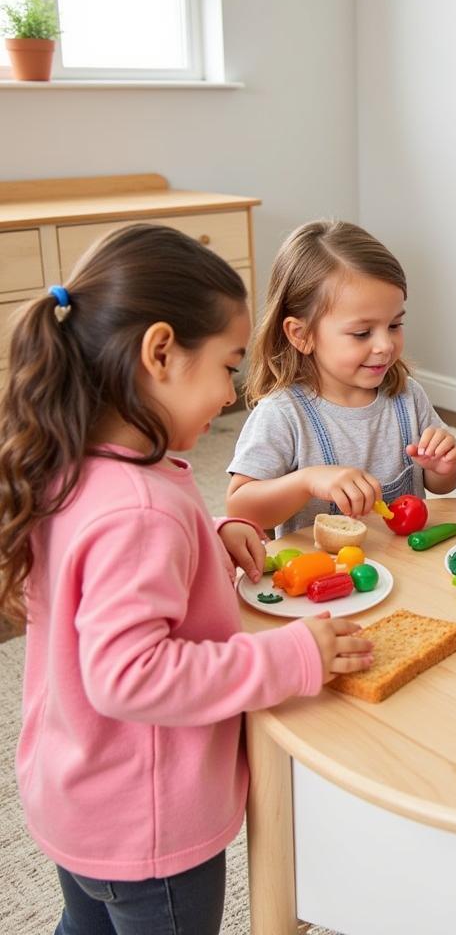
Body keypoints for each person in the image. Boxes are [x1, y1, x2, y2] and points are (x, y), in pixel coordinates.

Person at [0, 224, 373, 935]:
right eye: (229, 366)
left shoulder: (84, 464)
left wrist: (210, 535)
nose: (233, 396)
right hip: (143, 824)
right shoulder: (139, 507)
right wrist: (292, 656)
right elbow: (130, 675)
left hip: (76, 791)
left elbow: (102, 585)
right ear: (161, 352)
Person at [226, 220, 456, 536]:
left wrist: (443, 468)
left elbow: (442, 484)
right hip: (323, 577)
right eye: (362, 333)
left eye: (394, 325)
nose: (385, 345)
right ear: (302, 334)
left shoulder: (407, 395)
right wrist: (307, 481)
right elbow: (241, 508)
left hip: (404, 568)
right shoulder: (282, 413)